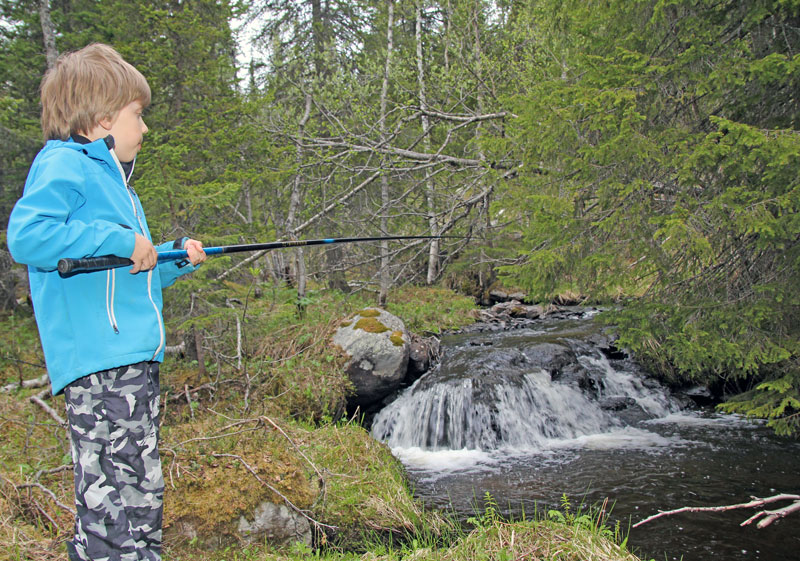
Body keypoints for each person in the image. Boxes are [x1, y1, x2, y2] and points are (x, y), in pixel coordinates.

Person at [6, 43, 206, 561]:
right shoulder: (64, 164)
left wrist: (170, 260)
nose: (145, 129)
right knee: (109, 499)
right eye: (137, 115)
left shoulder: (121, 188)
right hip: (99, 365)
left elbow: (126, 280)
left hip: (133, 361)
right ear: (101, 120)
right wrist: (117, 239)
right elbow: (27, 237)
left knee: (142, 492)